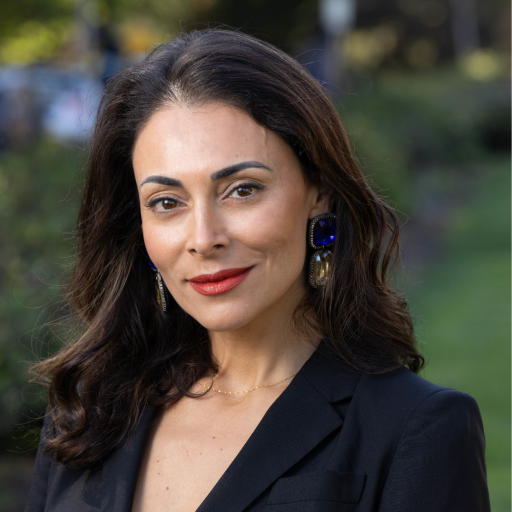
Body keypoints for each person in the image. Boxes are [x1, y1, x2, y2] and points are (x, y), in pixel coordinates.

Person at [25, 29, 490, 512]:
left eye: (242, 190)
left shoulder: (415, 430)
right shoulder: (88, 413)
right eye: (167, 202)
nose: (204, 238)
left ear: (319, 191)